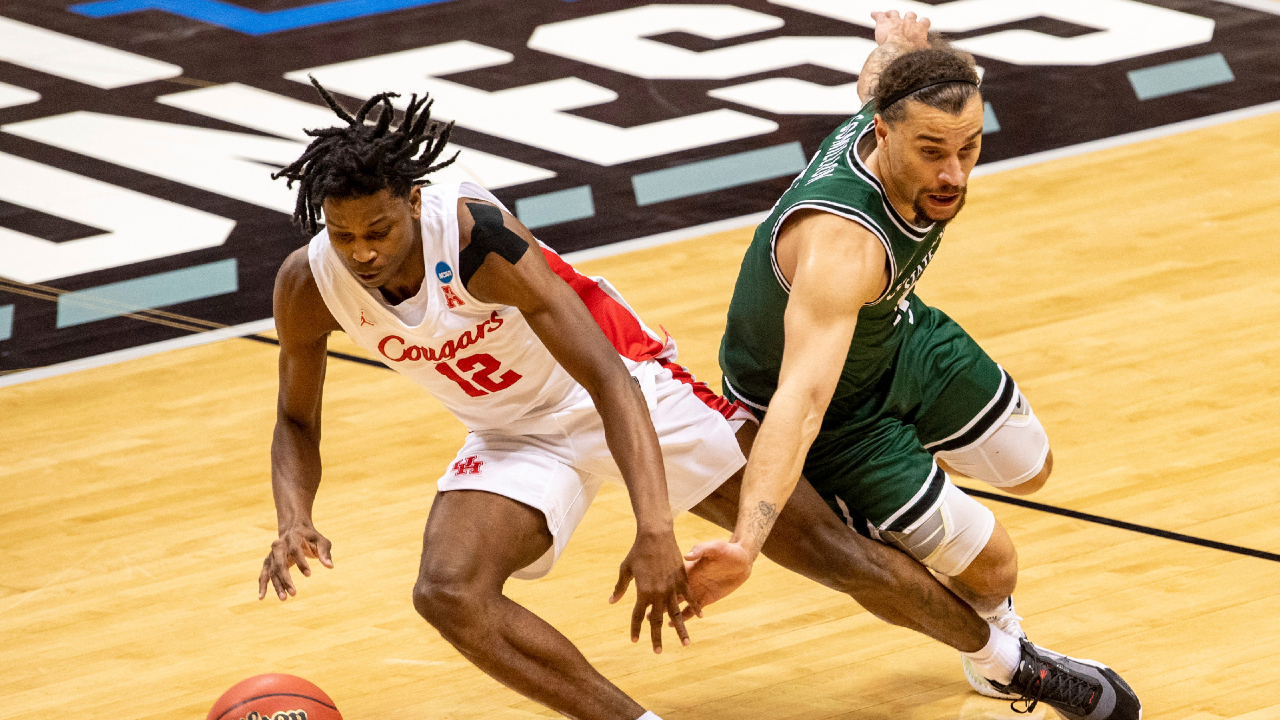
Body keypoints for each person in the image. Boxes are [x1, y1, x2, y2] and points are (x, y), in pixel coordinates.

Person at [256, 71, 1116, 720]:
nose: (364, 252)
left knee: (830, 553)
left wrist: (655, 527)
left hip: (630, 390)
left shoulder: (475, 239)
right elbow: (296, 417)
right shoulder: (312, 283)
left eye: (378, 230)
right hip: (514, 431)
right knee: (446, 593)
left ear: (413, 201)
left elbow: (603, 378)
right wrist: (294, 514)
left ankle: (1008, 660)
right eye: (344, 236)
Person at [687, 9, 1141, 720]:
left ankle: (915, 488)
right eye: (933, 151)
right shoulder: (844, 246)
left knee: (1029, 465)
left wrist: (896, 46)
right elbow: (800, 402)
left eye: (970, 146)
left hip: (897, 335)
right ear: (882, 135)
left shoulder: (896, 106)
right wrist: (749, 542)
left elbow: (881, 79)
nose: (954, 172)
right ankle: (998, 659)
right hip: (830, 413)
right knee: (996, 564)